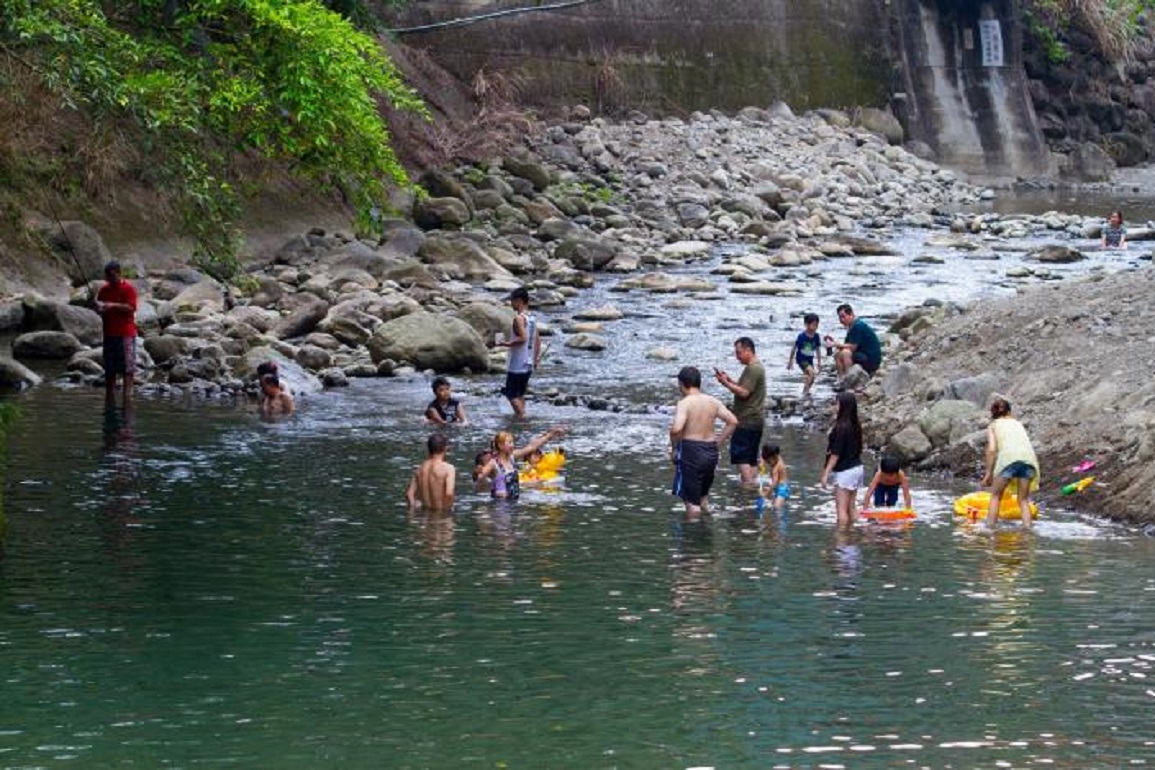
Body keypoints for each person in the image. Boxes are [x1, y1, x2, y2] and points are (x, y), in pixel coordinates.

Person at [670, 366, 739, 516]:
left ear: (681, 384)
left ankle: (694, 530)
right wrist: (718, 442)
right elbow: (733, 421)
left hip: (691, 452)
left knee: (691, 503)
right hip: (710, 452)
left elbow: (676, 429)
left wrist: (674, 448)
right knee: (703, 498)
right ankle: (706, 526)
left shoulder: (685, 403)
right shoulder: (713, 401)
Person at [714, 337, 766, 484]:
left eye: (739, 352)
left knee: (742, 457)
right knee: (751, 458)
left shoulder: (753, 368)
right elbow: (745, 387)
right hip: (755, 420)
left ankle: (748, 488)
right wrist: (729, 380)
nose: (737, 356)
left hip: (746, 419)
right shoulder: (755, 367)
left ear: (749, 350)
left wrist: (725, 384)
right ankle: (752, 484)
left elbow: (744, 393)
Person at [982, 397, 1040, 529]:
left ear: (993, 414)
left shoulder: (993, 425)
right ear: (1009, 412)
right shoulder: (1018, 424)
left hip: (1008, 460)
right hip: (1029, 460)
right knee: (1023, 500)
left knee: (996, 496)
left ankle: (990, 530)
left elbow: (992, 450)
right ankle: (1027, 531)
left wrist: (988, 474)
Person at [476, 426, 568, 500]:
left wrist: (550, 435)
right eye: (510, 443)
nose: (513, 445)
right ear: (500, 445)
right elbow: (479, 479)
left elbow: (531, 447)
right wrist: (478, 473)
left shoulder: (511, 458)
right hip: (500, 506)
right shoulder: (493, 463)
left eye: (512, 442)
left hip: (513, 503)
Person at [95, 261, 138, 409]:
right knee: (110, 369)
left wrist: (112, 305)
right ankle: (110, 397)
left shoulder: (128, 289)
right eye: (107, 276)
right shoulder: (104, 290)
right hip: (109, 334)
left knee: (127, 369)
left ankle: (127, 397)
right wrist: (99, 309)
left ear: (119, 273)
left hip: (125, 334)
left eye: (112, 275)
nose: (109, 279)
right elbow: (99, 309)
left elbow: (131, 308)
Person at [819, 392, 864, 528]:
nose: (835, 406)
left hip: (845, 471)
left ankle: (842, 536)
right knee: (851, 507)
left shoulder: (841, 428)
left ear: (844, 406)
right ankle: (854, 535)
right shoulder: (855, 425)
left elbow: (835, 453)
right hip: (857, 468)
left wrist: (826, 473)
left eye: (837, 403)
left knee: (841, 510)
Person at [495, 286, 540, 419]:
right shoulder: (532, 318)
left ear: (519, 301)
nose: (511, 303)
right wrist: (536, 358)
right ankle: (520, 416)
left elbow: (523, 338)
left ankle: (521, 418)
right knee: (520, 394)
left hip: (517, 363)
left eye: (512, 300)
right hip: (528, 362)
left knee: (511, 394)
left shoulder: (519, 319)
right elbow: (537, 340)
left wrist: (505, 343)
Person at [824, 303, 882, 382]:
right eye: (840, 317)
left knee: (845, 353)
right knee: (838, 353)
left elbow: (852, 347)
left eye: (843, 317)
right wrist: (834, 344)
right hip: (863, 355)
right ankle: (841, 378)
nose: (841, 320)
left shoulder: (858, 326)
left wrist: (836, 344)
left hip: (871, 360)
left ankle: (849, 378)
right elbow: (846, 345)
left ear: (851, 315)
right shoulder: (852, 327)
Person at [406, 433, 456, 512]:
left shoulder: (419, 469)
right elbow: (449, 494)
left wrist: (412, 512)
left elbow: (409, 494)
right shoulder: (448, 468)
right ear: (445, 448)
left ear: (429, 448)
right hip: (442, 515)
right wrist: (447, 512)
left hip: (425, 516)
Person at [787, 312, 823, 396]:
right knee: (811, 373)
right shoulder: (802, 336)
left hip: (810, 359)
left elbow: (818, 350)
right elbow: (794, 348)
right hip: (801, 359)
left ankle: (805, 391)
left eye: (816, 325)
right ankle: (806, 391)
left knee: (811, 377)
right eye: (813, 325)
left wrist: (819, 362)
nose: (815, 327)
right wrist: (790, 361)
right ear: (806, 324)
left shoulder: (816, 336)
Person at [758, 443, 789, 511]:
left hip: (782, 490)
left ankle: (780, 516)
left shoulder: (776, 468)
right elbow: (762, 452)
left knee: (776, 508)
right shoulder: (778, 457)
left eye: (768, 462)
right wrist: (762, 463)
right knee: (774, 503)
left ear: (774, 456)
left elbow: (774, 484)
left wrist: (766, 494)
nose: (768, 464)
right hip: (780, 487)